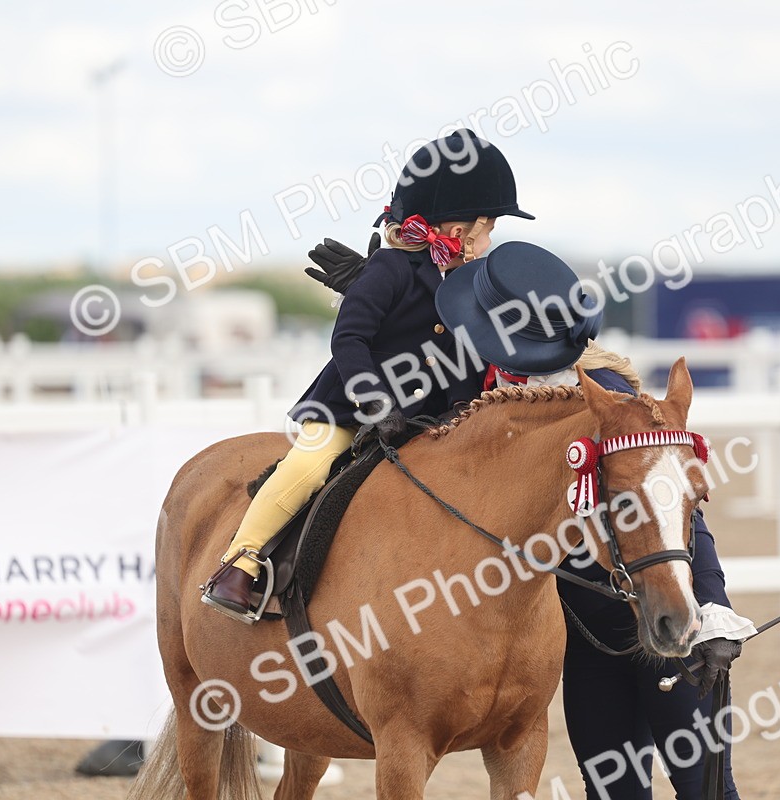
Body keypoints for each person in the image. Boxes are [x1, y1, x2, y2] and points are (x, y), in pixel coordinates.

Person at [431, 240, 747, 799]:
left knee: (705, 788)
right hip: (580, 638)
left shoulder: (613, 400)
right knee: (613, 791)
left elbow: (675, 510)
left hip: (656, 613)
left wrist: (714, 604)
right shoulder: (485, 400)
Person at [202, 129, 534, 621]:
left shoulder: (471, 284)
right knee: (309, 465)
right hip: (352, 405)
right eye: (487, 230)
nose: (490, 243)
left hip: (431, 418)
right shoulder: (389, 269)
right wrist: (374, 401)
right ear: (459, 229)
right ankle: (241, 562)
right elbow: (349, 340)